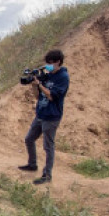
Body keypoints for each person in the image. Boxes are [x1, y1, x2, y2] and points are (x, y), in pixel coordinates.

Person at [19, 49, 70, 185]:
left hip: (52, 116)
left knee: (48, 146)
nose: (48, 65)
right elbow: (38, 96)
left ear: (58, 62)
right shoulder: (47, 75)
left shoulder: (63, 77)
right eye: (47, 63)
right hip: (41, 113)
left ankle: (47, 175)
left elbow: (51, 96)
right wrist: (35, 85)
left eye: (51, 63)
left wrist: (40, 85)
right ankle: (32, 164)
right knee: (29, 139)